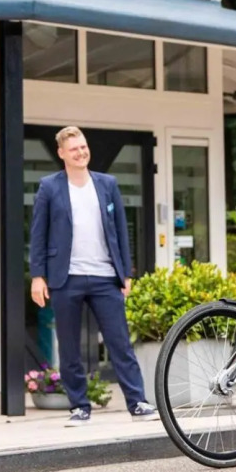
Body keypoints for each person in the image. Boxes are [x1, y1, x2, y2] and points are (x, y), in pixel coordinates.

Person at [29, 126, 154, 425]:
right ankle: (79, 406)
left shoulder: (107, 184)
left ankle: (137, 403)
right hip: (65, 277)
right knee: (69, 346)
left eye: (83, 147)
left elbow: (121, 231)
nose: (81, 152)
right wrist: (38, 276)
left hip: (104, 276)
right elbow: (38, 234)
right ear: (62, 153)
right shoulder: (49, 187)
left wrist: (126, 272)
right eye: (74, 149)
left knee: (119, 342)